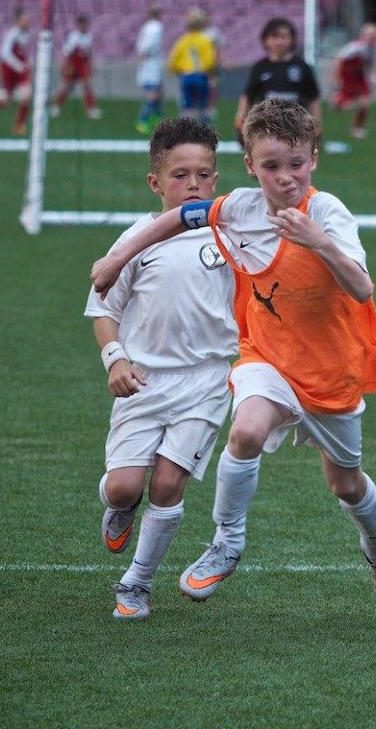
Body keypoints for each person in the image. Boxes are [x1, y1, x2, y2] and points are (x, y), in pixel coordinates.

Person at [90, 98, 376, 610]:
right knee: (246, 430)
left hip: (332, 372)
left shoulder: (327, 213)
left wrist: (319, 242)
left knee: (345, 483)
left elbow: (362, 288)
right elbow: (181, 218)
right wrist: (117, 257)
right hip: (268, 358)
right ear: (250, 166)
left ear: (315, 159)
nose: (286, 177)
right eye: (271, 166)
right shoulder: (239, 207)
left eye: (297, 163)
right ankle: (227, 542)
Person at [85, 116, 237, 619]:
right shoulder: (135, 240)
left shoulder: (232, 234)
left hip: (208, 380)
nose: (194, 184)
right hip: (145, 381)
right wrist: (116, 360)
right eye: (180, 175)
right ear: (155, 181)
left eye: (204, 174)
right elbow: (104, 312)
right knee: (127, 485)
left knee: (169, 484)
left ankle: (137, 584)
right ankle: (121, 505)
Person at [236, 17, 322, 145]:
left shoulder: (302, 66)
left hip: (296, 125)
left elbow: (313, 97)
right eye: (274, 37)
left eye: (284, 37)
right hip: (266, 125)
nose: (279, 42)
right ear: (266, 40)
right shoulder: (260, 67)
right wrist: (240, 120)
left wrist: (317, 123)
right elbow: (248, 96)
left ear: (292, 39)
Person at [0, 7, 31, 135]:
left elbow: (23, 52)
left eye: (27, 19)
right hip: (9, 70)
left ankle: (18, 125)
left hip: (22, 70)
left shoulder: (27, 34)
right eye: (23, 19)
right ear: (17, 21)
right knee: (7, 100)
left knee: (26, 97)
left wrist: (25, 65)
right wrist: (19, 66)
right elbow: (5, 53)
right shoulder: (12, 34)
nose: (27, 21)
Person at [167, 7, 218, 123]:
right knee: (203, 106)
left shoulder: (182, 40)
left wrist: (177, 69)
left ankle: (186, 132)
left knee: (188, 107)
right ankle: (204, 131)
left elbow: (172, 61)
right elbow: (210, 60)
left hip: (187, 76)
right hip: (201, 76)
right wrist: (210, 71)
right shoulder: (206, 40)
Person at [332, 23, 376, 139]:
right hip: (348, 76)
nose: (373, 39)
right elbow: (340, 58)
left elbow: (370, 65)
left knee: (365, 103)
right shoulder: (355, 47)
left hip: (360, 77)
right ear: (364, 35)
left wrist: (373, 76)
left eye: (374, 36)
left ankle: (357, 127)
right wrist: (337, 78)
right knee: (348, 103)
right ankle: (338, 101)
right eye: (371, 35)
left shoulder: (372, 50)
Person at [50, 14, 102, 120]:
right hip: (73, 64)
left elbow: (88, 53)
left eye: (86, 24)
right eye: (82, 24)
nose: (84, 26)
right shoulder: (73, 37)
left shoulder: (88, 36)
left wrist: (90, 65)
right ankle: (57, 106)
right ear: (78, 25)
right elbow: (67, 52)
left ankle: (91, 109)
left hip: (82, 64)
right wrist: (68, 66)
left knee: (86, 85)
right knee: (68, 87)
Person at [134, 6, 165, 135]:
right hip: (152, 63)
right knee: (153, 93)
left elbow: (140, 43)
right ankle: (142, 120)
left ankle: (158, 119)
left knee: (158, 92)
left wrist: (141, 53)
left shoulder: (146, 26)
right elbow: (149, 43)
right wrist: (144, 52)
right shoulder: (156, 27)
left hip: (148, 62)